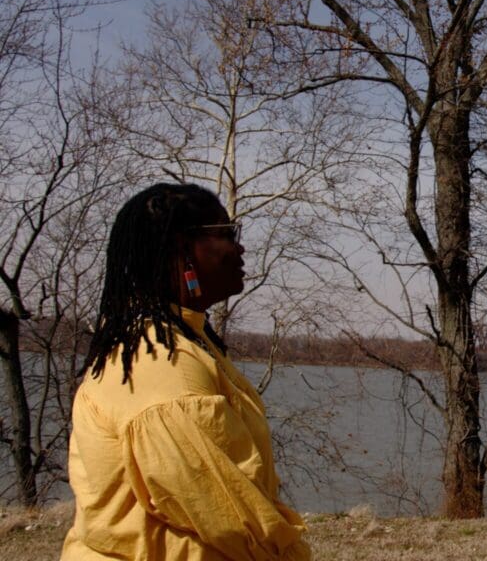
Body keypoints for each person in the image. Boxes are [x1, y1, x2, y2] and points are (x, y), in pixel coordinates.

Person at [62, 183, 311, 560]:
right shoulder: (161, 363)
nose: (240, 248)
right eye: (226, 234)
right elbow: (230, 514)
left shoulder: (176, 339)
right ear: (182, 247)